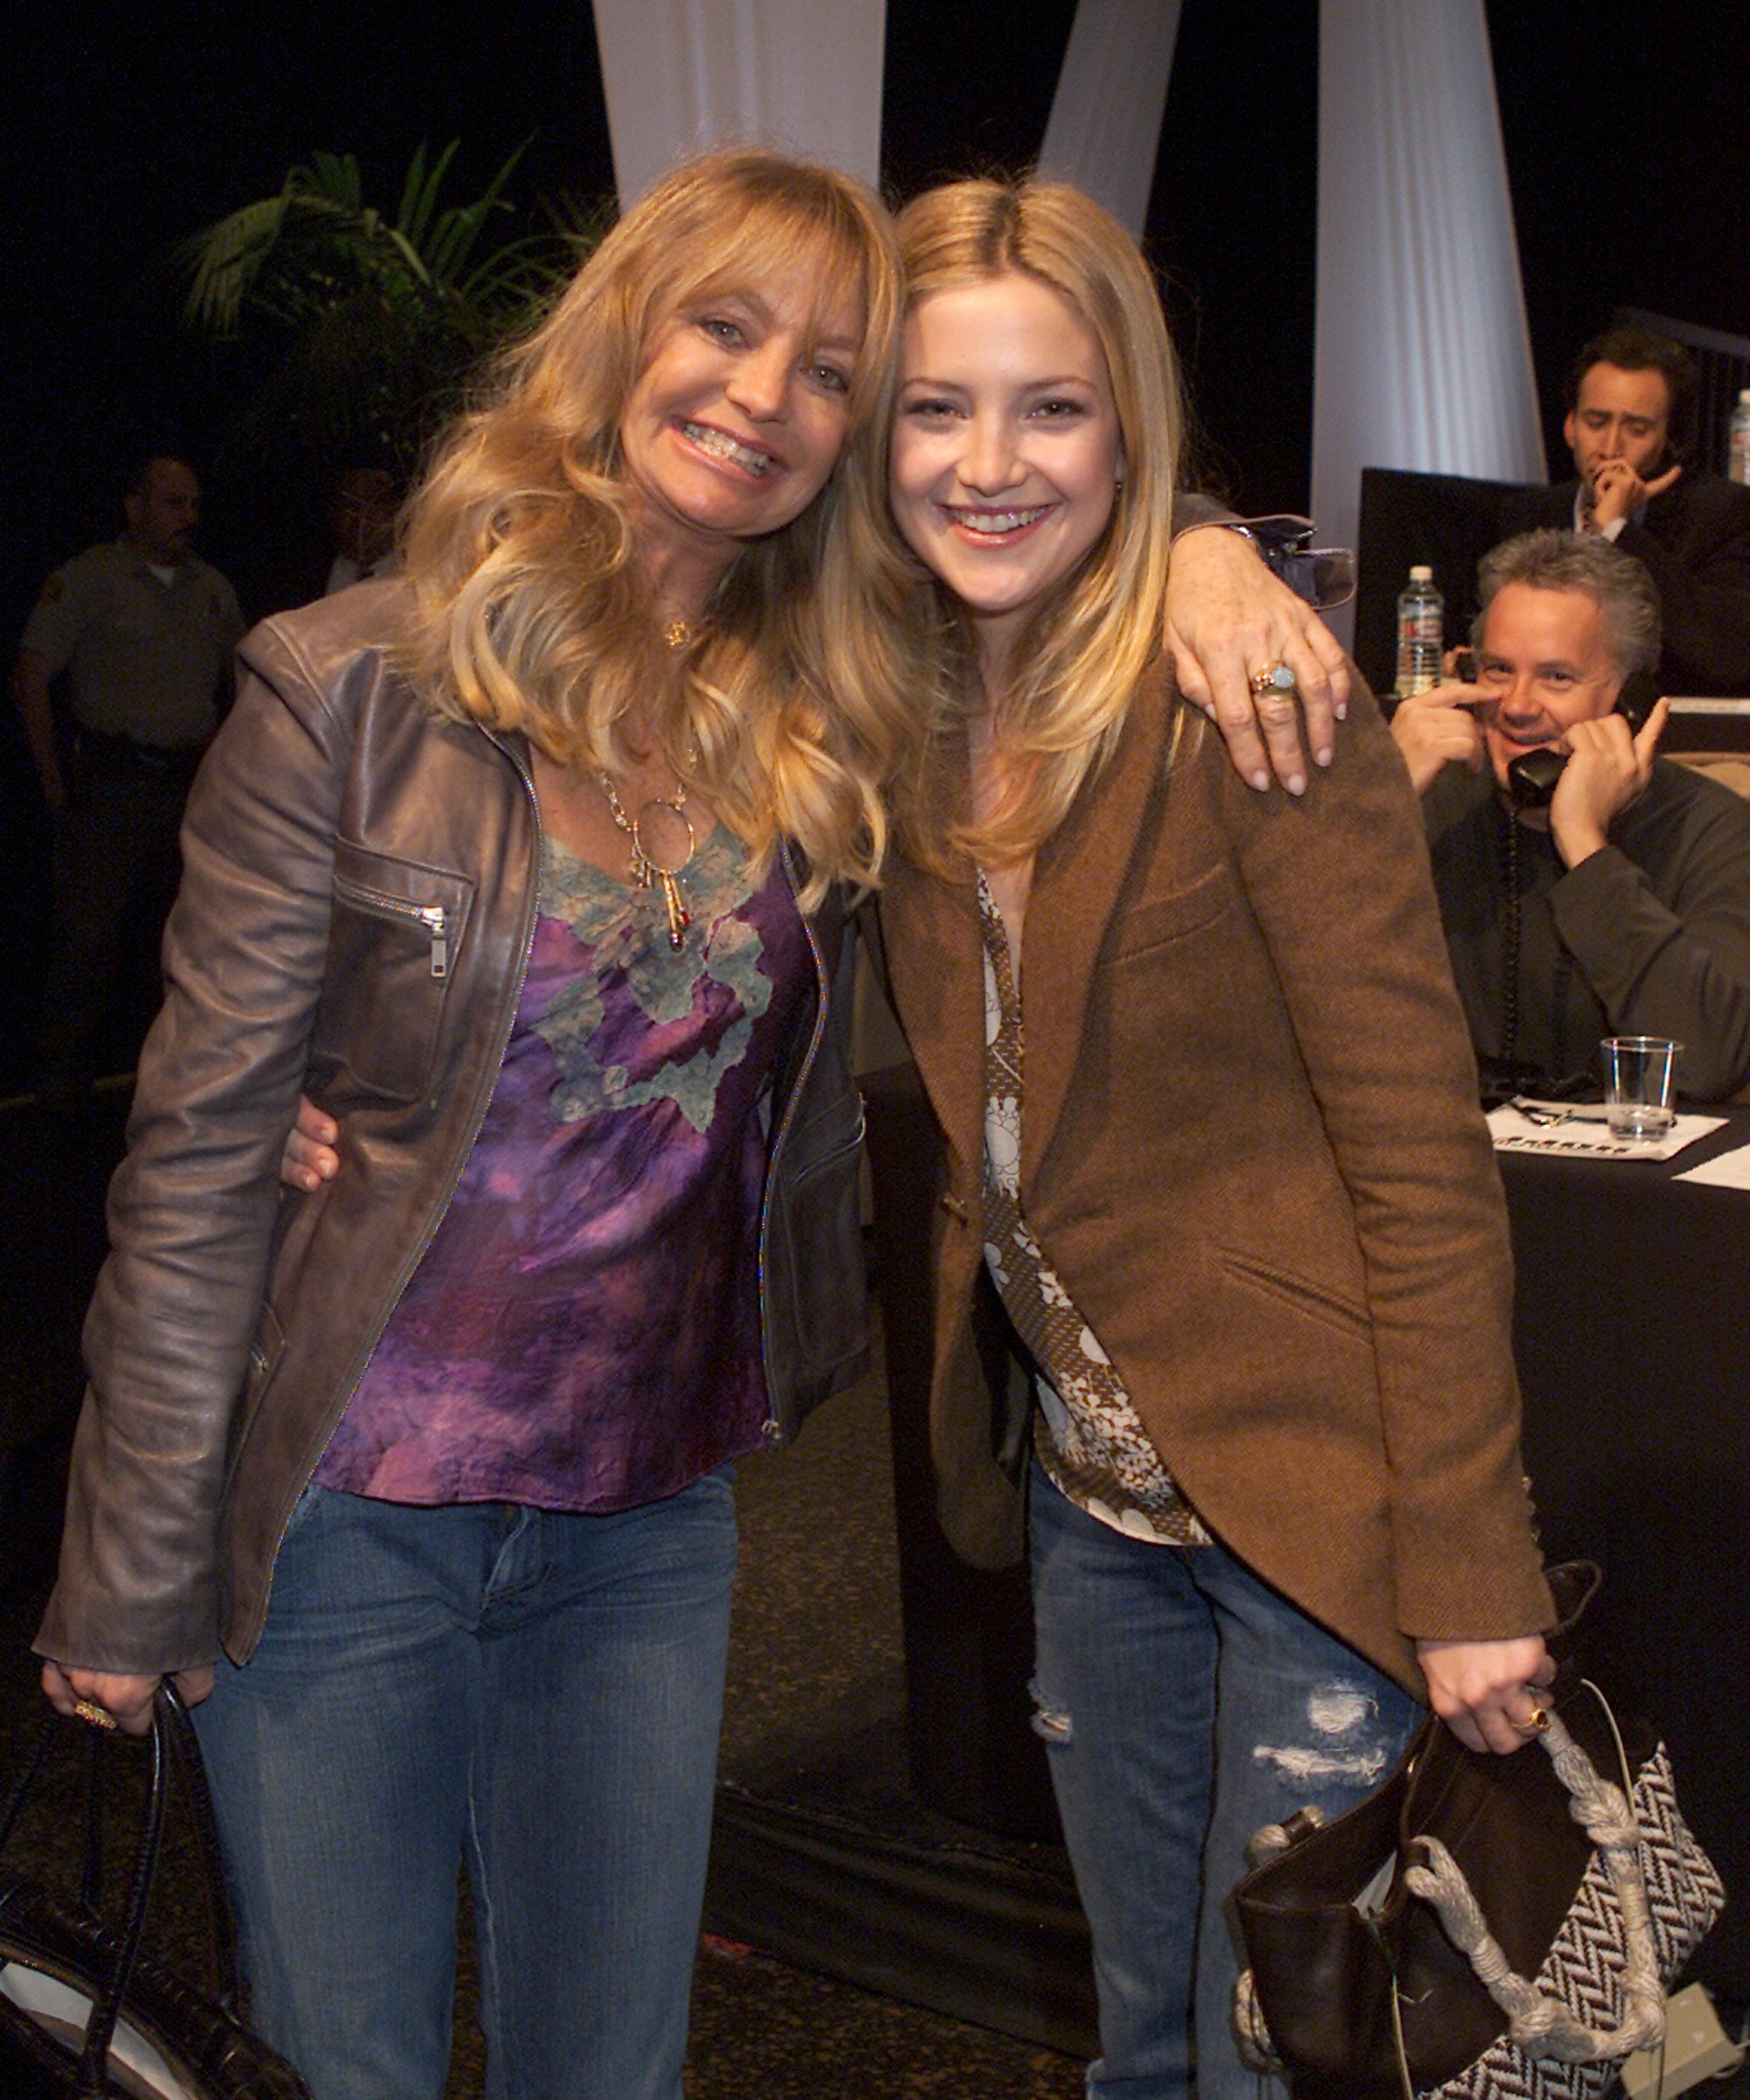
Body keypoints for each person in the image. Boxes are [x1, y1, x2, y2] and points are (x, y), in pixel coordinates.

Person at [36, 150, 1338, 2100]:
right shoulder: (345, 689)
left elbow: (1053, 525)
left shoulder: (835, 701)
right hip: (338, 1526)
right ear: (620, 342)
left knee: (613, 2074)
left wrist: (1216, 545)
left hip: (646, 1531)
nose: (766, 394)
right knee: (344, 2067)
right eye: (724, 327)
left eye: (831, 370)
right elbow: (200, 1163)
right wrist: (126, 1575)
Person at [831, 177, 1555, 2100]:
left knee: (1277, 2061)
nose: (988, 463)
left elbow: (1419, 1160)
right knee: (1138, 2039)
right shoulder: (889, 705)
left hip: (1320, 1523)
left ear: (1128, 426)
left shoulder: (1249, 700)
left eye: (1052, 408)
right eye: (934, 405)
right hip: (1092, 1509)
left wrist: (1471, 1561)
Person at [1391, 528, 1750, 1098]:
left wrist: (1584, 844)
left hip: (1631, 1183)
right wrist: (1376, 811)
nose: (1516, 707)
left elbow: (1708, 1062)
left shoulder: (1714, 830)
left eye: (1557, 677)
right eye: (1499, 670)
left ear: (1629, 701)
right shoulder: (1427, 800)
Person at [14, 452, 244, 1106]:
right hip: (114, 783)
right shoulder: (90, 579)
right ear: (135, 507)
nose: (188, 517)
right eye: (173, 503)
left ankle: (186, 1073)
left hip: (192, 784)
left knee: (196, 934)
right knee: (87, 934)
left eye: (194, 504)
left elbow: (246, 680)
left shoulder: (211, 589)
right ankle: (57, 1074)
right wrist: (53, 783)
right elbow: (32, 674)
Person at [1498, 324, 1750, 695]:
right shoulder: (1528, 513)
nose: (1611, 446)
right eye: (1596, 422)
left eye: (1637, 428)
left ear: (1669, 438)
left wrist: (1617, 530)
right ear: (1570, 427)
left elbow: (1726, 654)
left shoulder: (1723, 512)